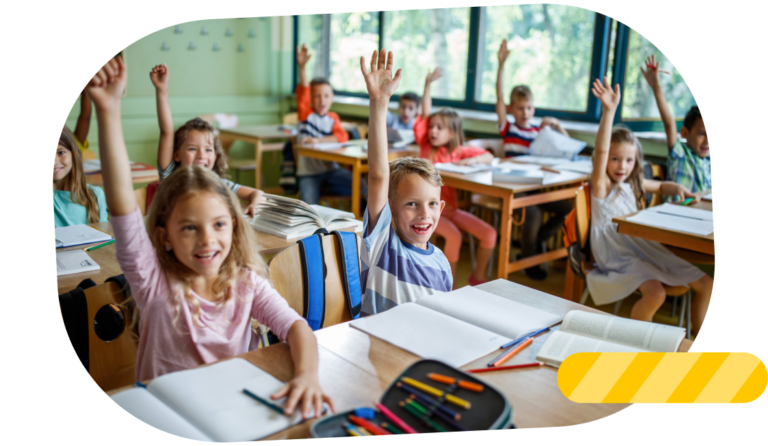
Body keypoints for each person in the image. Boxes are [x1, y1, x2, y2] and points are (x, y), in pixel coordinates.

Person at [87, 57, 333, 418]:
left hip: (234, 409)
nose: (207, 240)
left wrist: (308, 376)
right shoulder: (152, 281)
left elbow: (297, 327)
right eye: (189, 227)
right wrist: (108, 111)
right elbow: (122, 203)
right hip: (167, 415)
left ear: (234, 226)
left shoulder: (246, 280)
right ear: (164, 236)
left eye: (219, 224)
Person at [587, 77, 714, 337]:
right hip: (617, 253)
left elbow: (660, 187)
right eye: (615, 159)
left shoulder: (632, 182)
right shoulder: (602, 185)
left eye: (629, 160)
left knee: (707, 283)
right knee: (655, 294)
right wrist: (609, 111)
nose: (622, 166)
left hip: (641, 246)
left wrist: (676, 188)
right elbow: (600, 151)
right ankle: (634, 346)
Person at [359, 49, 452, 315]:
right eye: (412, 204)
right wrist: (379, 102)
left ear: (441, 207)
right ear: (389, 207)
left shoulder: (442, 264)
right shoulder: (383, 245)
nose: (425, 214)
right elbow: (378, 176)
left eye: (432, 203)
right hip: (377, 351)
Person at [495, 39, 572, 280]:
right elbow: (498, 98)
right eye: (519, 108)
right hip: (517, 186)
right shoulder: (507, 127)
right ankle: (529, 261)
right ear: (511, 109)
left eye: (529, 108)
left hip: (537, 185)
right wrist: (501, 65)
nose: (525, 113)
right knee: (533, 213)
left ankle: (539, 240)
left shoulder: (538, 130)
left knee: (569, 208)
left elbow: (567, 148)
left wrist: (557, 126)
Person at [414, 67, 498, 287]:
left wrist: (473, 161)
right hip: (429, 211)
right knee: (455, 236)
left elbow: (488, 156)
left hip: (451, 209)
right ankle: (447, 286)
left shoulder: (459, 151)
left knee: (489, 234)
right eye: (432, 127)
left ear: (452, 132)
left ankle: (477, 277)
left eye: (439, 128)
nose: (432, 131)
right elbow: (424, 114)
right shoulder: (426, 146)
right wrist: (427, 86)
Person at [150, 64, 265, 217]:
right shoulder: (172, 177)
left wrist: (254, 205)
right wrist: (162, 90)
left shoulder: (217, 182)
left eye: (208, 149)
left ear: (215, 155)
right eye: (192, 149)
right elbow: (166, 132)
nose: (201, 155)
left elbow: (257, 193)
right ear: (176, 155)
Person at [294, 44, 366, 205]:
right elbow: (304, 90)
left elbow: (342, 136)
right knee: (309, 208)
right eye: (317, 96)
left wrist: (317, 141)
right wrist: (302, 67)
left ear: (332, 98)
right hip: (309, 173)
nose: (322, 100)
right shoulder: (306, 114)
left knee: (364, 187)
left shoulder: (333, 118)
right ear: (312, 99)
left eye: (326, 96)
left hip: (331, 171)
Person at [641, 55, 711, 199]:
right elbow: (669, 123)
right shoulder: (680, 153)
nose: (707, 141)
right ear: (685, 132)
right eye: (702, 134)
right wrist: (656, 86)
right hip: (675, 213)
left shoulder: (708, 162)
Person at [53, 125, 108, 227]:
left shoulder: (95, 195)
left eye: (61, 152)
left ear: (73, 154)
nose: (54, 161)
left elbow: (104, 235)